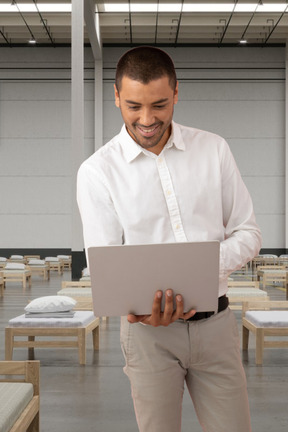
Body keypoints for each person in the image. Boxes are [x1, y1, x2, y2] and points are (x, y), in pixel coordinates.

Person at [77, 46, 262, 432]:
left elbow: (249, 234)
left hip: (217, 328)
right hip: (148, 337)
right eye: (133, 106)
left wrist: (198, 268)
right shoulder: (98, 171)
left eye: (159, 105)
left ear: (176, 92)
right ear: (116, 97)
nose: (147, 120)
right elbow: (102, 261)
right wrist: (134, 303)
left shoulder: (213, 150)